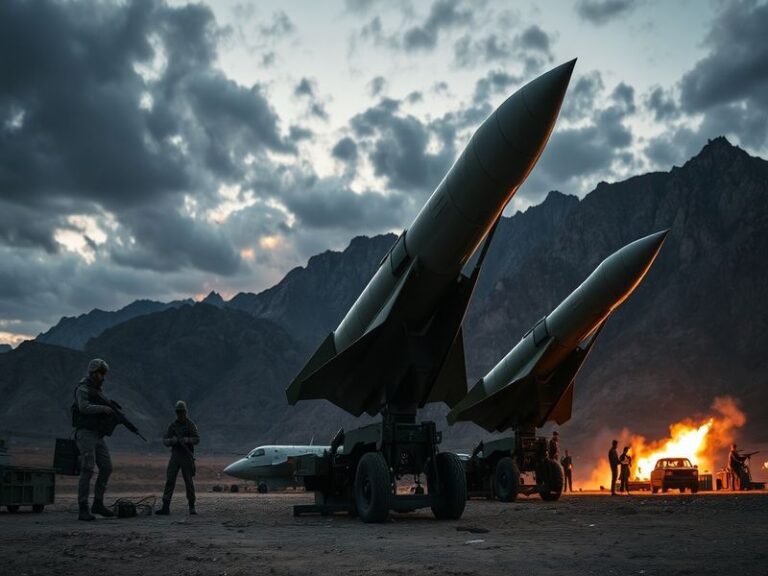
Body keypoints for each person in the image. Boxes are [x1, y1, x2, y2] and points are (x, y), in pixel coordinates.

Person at [73, 358, 116, 521]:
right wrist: (104, 409)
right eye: (101, 373)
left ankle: (98, 503)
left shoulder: (97, 391)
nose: (103, 377)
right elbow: (83, 407)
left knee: (106, 467)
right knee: (87, 469)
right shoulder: (83, 389)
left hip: (97, 435)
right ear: (93, 372)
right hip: (85, 434)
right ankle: (83, 508)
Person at [156, 401, 200, 515]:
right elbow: (165, 440)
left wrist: (187, 440)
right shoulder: (173, 426)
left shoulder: (190, 425)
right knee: (170, 479)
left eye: (182, 412)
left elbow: (197, 439)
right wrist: (172, 441)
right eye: (178, 412)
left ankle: (191, 506)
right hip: (175, 455)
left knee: (188, 481)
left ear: (185, 412)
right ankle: (165, 506)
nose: (180, 414)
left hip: (186, 455)